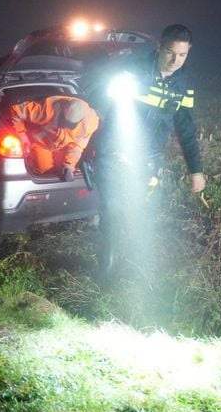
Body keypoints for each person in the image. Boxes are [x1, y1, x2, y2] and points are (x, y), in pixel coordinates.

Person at [86, 24, 206, 276]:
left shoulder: (183, 85)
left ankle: (132, 264)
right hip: (114, 152)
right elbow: (96, 97)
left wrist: (196, 169)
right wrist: (112, 88)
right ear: (160, 48)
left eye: (183, 55)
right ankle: (107, 267)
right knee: (112, 207)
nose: (176, 60)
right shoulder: (134, 70)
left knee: (142, 211)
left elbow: (185, 127)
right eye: (171, 53)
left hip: (149, 158)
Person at [9, 95, 99, 181]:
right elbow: (16, 110)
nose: (65, 126)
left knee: (62, 172)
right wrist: (22, 134)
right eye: (65, 121)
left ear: (80, 120)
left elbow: (77, 147)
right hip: (42, 143)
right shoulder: (47, 110)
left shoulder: (90, 123)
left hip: (64, 146)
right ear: (63, 111)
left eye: (70, 125)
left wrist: (69, 166)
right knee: (43, 171)